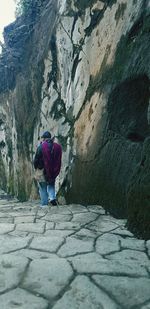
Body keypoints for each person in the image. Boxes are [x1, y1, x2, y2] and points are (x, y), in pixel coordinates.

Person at [33, 131, 62, 206]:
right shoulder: (57, 147)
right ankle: (52, 198)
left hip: (42, 170)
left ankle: (44, 204)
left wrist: (36, 167)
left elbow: (36, 159)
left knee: (43, 187)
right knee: (51, 184)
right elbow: (58, 159)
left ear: (44, 138)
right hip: (53, 170)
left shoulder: (41, 147)